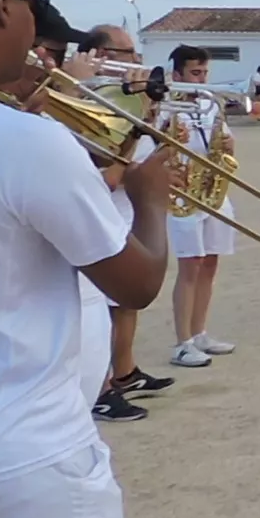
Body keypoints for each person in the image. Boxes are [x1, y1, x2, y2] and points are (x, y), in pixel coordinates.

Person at [0, 0, 175, 518]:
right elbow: (136, 281)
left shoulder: (27, 135)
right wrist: (150, 200)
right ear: (2, 5)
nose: (42, 32)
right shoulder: (29, 145)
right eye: (33, 5)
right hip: (23, 446)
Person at [80, 27, 174, 421]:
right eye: (129, 53)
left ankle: (125, 371)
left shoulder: (126, 95)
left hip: (125, 210)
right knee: (100, 303)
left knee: (126, 302)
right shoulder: (87, 98)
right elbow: (109, 170)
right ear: (102, 53)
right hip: (104, 209)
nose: (137, 62)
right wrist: (137, 129)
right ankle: (99, 387)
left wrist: (156, 125)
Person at [161, 45, 239, 368]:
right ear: (177, 75)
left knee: (210, 263)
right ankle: (183, 343)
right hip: (182, 194)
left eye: (205, 72)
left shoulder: (209, 104)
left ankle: (200, 332)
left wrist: (229, 146)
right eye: (195, 73)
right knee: (190, 266)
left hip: (212, 192)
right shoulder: (165, 106)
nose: (202, 78)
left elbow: (224, 139)